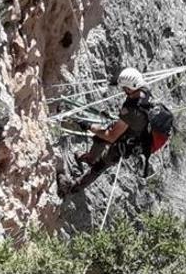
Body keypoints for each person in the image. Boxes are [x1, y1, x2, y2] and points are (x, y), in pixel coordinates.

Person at [58, 67, 153, 195]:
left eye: (124, 88)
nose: (123, 91)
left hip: (127, 141)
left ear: (129, 88)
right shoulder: (144, 89)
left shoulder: (131, 110)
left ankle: (72, 188)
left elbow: (111, 136)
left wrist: (89, 126)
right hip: (133, 127)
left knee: (100, 165)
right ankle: (90, 158)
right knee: (99, 138)